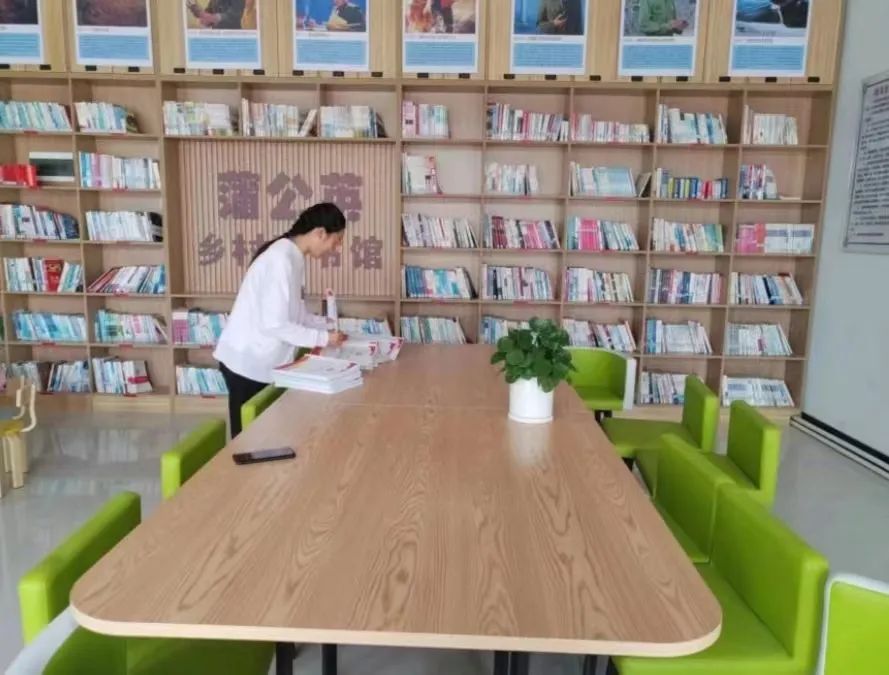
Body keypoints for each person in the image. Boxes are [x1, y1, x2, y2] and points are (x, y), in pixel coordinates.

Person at [214, 203, 348, 436]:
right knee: (247, 440)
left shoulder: (294, 257)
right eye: (336, 240)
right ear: (320, 233)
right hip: (247, 362)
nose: (337, 247)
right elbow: (276, 325)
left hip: (262, 360)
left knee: (265, 434)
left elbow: (296, 315)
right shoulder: (280, 260)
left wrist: (328, 326)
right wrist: (323, 338)